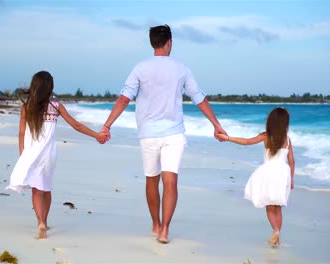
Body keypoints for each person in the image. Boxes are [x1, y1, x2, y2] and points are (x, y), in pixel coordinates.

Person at [98, 24, 227, 244]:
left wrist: (107, 125)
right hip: (174, 133)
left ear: (152, 43)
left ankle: (156, 224)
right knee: (171, 181)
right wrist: (216, 124)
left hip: (148, 133)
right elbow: (199, 98)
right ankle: (165, 229)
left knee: (151, 180)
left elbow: (124, 98)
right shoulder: (181, 68)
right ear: (170, 42)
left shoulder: (140, 68)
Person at [6, 71, 106, 239]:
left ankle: (40, 223)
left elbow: (21, 133)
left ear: (34, 86)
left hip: (31, 154)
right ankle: (45, 220)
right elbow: (76, 125)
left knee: (36, 190)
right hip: (49, 155)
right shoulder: (55, 107)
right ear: (49, 87)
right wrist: (97, 135)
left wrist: (22, 154)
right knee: (46, 188)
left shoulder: (26, 107)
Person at [218, 107, 295, 246]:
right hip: (283, 174)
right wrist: (292, 179)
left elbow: (246, 142)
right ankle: (277, 238)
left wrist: (228, 138)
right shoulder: (287, 140)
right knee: (278, 207)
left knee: (269, 206)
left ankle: (275, 230)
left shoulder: (266, 136)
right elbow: (292, 161)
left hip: (268, 172)